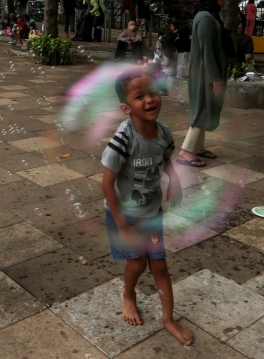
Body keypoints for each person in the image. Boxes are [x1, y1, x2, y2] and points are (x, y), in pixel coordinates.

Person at [102, 68, 194, 346]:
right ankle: (128, 294)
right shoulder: (123, 139)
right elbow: (107, 184)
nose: (150, 100)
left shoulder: (163, 133)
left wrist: (174, 179)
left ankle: (167, 318)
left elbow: (166, 157)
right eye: (139, 96)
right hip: (124, 216)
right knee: (137, 262)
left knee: (159, 266)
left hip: (152, 213)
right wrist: (120, 223)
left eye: (153, 92)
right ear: (126, 108)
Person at [178, 0, 227, 167]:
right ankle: (187, 150)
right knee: (202, 109)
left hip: (203, 72)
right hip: (204, 74)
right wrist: (215, 77)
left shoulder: (206, 16)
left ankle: (198, 147)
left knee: (204, 107)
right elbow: (207, 49)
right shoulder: (206, 18)